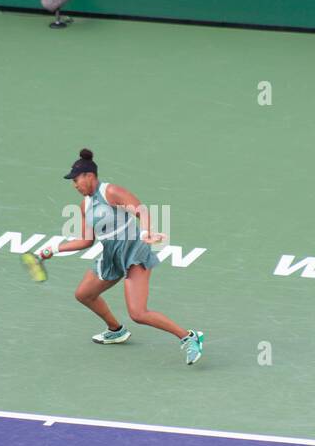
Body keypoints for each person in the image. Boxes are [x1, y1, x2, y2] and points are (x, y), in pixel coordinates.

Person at [34, 149, 205, 366]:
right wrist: (53, 249)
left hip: (133, 251)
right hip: (111, 255)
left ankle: (189, 337)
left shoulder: (111, 192)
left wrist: (145, 233)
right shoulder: (85, 205)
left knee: (138, 313)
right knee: (84, 294)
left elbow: (141, 211)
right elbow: (86, 241)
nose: (74, 185)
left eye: (76, 180)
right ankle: (116, 330)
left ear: (89, 176)